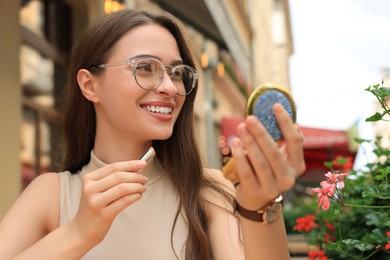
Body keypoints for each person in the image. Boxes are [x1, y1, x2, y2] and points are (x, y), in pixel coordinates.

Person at [0, 9, 305, 260]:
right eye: (146, 67)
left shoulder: (207, 190)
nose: (170, 88)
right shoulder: (51, 194)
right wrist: (78, 233)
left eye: (177, 72)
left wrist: (259, 205)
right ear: (90, 85)